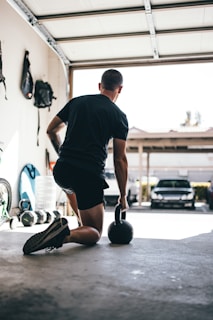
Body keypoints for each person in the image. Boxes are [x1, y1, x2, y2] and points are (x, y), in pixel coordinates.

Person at [23, 69, 129, 255]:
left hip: (62, 171)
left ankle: (79, 227)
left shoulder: (77, 102)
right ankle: (64, 235)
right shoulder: (118, 116)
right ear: (119, 89)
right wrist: (123, 196)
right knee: (95, 233)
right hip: (88, 175)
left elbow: (51, 130)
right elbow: (119, 159)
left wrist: (62, 152)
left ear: (100, 86)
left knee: (76, 197)